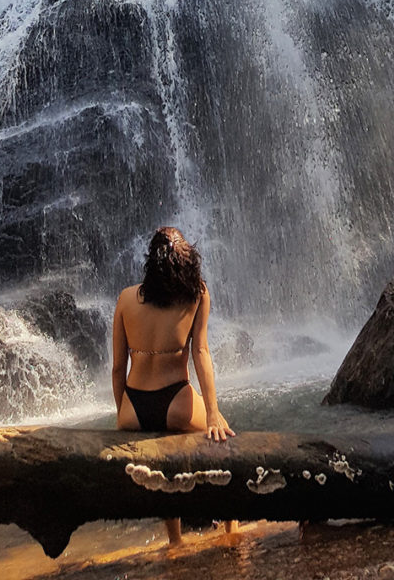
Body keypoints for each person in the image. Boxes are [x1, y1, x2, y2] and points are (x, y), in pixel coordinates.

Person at [112, 226, 235, 549]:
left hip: (133, 409)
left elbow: (116, 368)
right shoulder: (197, 294)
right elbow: (201, 353)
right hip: (175, 401)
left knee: (163, 460)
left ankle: (175, 542)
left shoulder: (126, 298)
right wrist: (213, 413)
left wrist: (121, 415)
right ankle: (231, 531)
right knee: (223, 449)